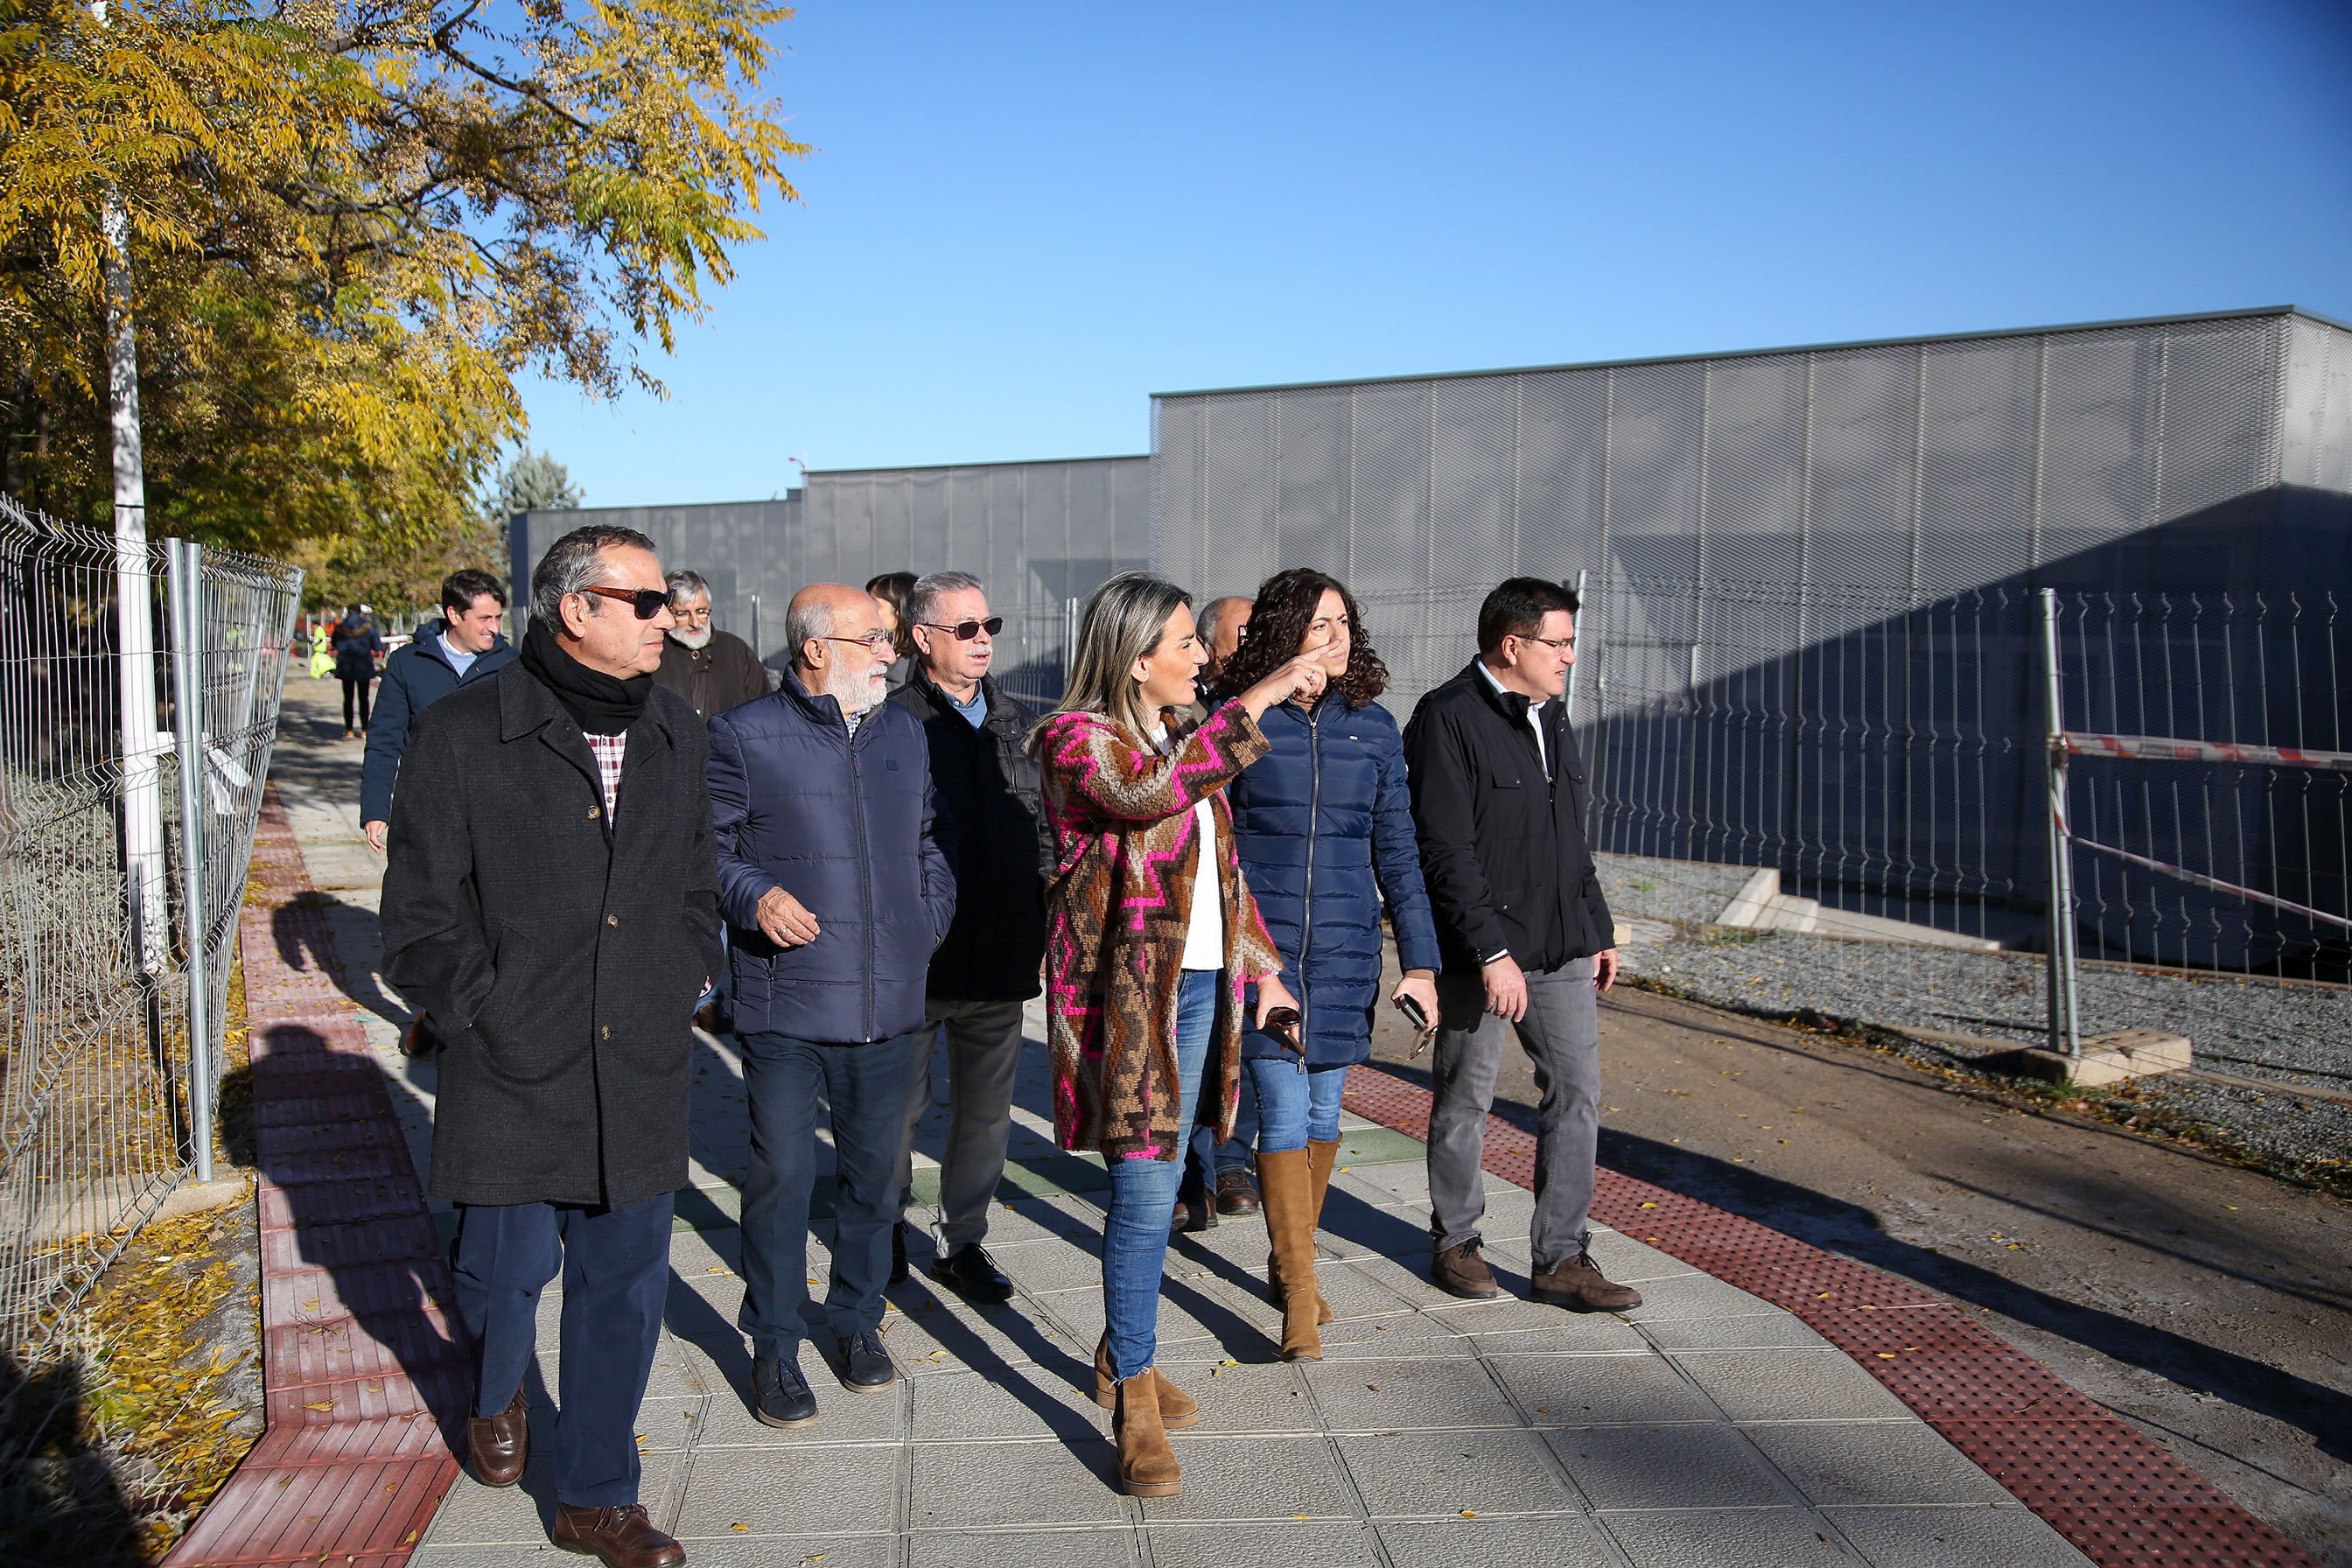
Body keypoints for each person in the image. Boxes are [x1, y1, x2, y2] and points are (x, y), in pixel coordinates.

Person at [380, 524, 718, 1568]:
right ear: (578, 609)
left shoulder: (675, 731)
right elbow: (416, 923)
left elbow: (695, 886)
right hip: (513, 1066)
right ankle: (497, 1386)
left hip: (642, 1067)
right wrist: (483, 1010)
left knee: (624, 1291)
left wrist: (686, 981)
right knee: (500, 1269)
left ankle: (597, 1499)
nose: (673, 620)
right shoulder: (462, 731)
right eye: (648, 603)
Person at [1030, 570, 1320, 1497]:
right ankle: (1134, 1408)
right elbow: (1146, 794)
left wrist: (1265, 971)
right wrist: (1263, 695)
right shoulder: (1076, 742)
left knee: (1162, 1181)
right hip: (1125, 999)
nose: (1204, 657)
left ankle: (1130, 1357)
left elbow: (1223, 871)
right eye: (1189, 642)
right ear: (1136, 655)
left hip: (1200, 988)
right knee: (1147, 1192)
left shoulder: (1188, 735)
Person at [706, 584, 956, 1431]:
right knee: (780, 1180)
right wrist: (755, 896)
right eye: (876, 638)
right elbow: (707, 849)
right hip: (784, 1005)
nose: (893, 652)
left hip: (889, 1003)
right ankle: (773, 1343)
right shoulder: (742, 735)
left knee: (877, 1182)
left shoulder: (904, 735)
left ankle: (855, 1322)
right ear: (816, 649)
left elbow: (928, 842)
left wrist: (925, 923)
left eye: (891, 639)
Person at [1403, 577, 1641, 1313]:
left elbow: (1571, 838)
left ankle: (1562, 1257)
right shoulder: (1446, 718)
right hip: (1484, 953)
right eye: (1560, 643)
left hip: (1564, 945)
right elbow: (1444, 851)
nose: (1571, 656)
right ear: (1514, 645)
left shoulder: (1552, 716)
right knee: (1465, 1097)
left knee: (1577, 1093)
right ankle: (1457, 1240)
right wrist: (1491, 953)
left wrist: (1596, 929)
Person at [1221, 570, 1443, 1360]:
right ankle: (1301, 1303)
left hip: (1348, 947)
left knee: (1322, 1118)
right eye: (1319, 625)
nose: (1337, 638)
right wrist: (1248, 953)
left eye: (1345, 623)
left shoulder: (1375, 728)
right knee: (1280, 1112)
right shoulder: (1242, 720)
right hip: (1265, 950)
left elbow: (1399, 852)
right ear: (1284, 636)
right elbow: (1215, 840)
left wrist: (1420, 962)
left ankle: (1293, 1270)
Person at [886, 570, 1050, 1305]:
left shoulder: (1018, 723)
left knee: (985, 1117)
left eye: (991, 627)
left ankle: (965, 1242)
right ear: (922, 639)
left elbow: (1043, 831)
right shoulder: (892, 724)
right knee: (895, 1113)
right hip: (917, 966)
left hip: (1002, 958)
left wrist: (1038, 911)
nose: (984, 641)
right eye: (967, 629)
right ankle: (883, 1230)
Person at [1174, 595, 1264, 1228]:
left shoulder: (1269, 715)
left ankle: (1230, 1163)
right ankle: (1190, 1176)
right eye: (1242, 634)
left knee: (1237, 1050)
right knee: (1182, 1078)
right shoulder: (1188, 721)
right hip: (1175, 937)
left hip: (1240, 907)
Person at [362, 570, 518, 857]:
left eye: (498, 617)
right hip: (425, 812)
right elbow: (384, 741)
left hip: (495, 816)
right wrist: (375, 808)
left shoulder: (513, 666)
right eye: (485, 618)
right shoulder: (407, 664)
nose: (495, 628)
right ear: (455, 615)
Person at [654, 569, 770, 720]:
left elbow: (764, 710)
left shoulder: (736, 651)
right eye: (683, 614)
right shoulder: (655, 652)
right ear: (667, 612)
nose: (695, 623)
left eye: (701, 611)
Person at [331, 602, 383, 738]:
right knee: (364, 697)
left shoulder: (341, 627)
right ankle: (365, 729)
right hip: (363, 666)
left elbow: (334, 643)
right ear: (360, 613)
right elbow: (377, 646)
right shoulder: (368, 627)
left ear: (348, 612)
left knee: (348, 698)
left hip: (346, 666)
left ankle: (349, 729)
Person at [865, 570, 918, 691]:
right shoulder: (865, 650)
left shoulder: (920, 665)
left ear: (900, 612)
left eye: (875, 604)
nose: (867, 609)